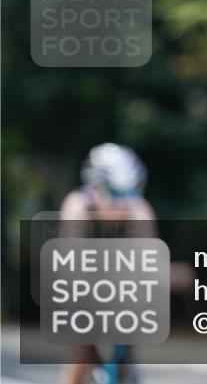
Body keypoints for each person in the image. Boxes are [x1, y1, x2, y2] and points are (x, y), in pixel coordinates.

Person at [59, 143, 156, 384]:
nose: (123, 204)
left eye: (130, 194)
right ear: (95, 188)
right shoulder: (78, 206)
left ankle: (126, 369)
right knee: (80, 350)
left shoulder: (139, 210)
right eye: (115, 194)